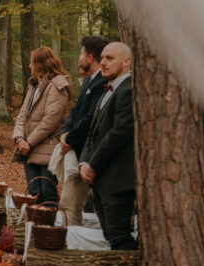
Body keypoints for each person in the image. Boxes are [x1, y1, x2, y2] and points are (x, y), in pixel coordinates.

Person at [78, 41, 137, 250]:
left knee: (120, 237)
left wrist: (92, 165)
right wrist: (84, 162)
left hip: (118, 180)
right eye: (102, 57)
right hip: (100, 179)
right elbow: (92, 134)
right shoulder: (106, 92)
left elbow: (119, 133)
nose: (103, 62)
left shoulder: (129, 90)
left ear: (126, 62)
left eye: (110, 58)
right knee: (110, 236)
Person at [56, 36, 108, 225]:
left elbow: (90, 118)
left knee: (71, 204)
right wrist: (64, 133)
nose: (79, 58)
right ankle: (71, 242)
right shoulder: (87, 81)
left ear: (90, 57)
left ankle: (73, 246)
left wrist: (70, 139)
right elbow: (76, 110)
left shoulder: (102, 82)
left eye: (81, 53)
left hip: (88, 152)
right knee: (69, 204)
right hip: (75, 147)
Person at [12, 47, 72, 205]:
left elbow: (50, 121)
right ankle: (36, 228)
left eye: (32, 63)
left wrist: (28, 142)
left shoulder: (58, 86)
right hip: (28, 149)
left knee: (47, 193)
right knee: (34, 193)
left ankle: (50, 229)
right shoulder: (34, 85)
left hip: (47, 149)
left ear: (40, 64)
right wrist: (19, 139)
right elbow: (22, 115)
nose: (30, 66)